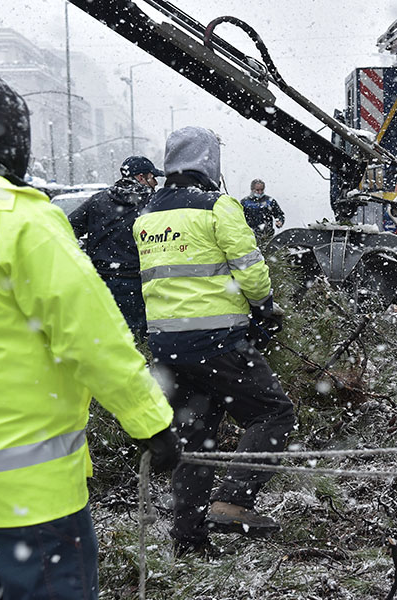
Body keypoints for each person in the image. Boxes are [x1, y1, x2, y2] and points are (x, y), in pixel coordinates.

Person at [0, 71, 178, 599]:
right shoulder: (20, 224)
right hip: (26, 499)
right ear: (13, 144)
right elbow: (93, 341)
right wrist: (150, 423)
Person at [134, 126, 296, 557]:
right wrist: (265, 308)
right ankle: (234, 499)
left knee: (196, 439)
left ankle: (188, 542)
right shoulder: (217, 206)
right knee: (274, 414)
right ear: (210, 163)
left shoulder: (148, 214)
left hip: (167, 348)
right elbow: (250, 268)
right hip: (218, 342)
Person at [68, 155, 164, 340]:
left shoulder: (98, 200)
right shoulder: (154, 203)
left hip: (103, 284)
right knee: (142, 343)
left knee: (109, 340)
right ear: (141, 177)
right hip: (142, 286)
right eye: (153, 177)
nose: (156, 183)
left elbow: (66, 228)